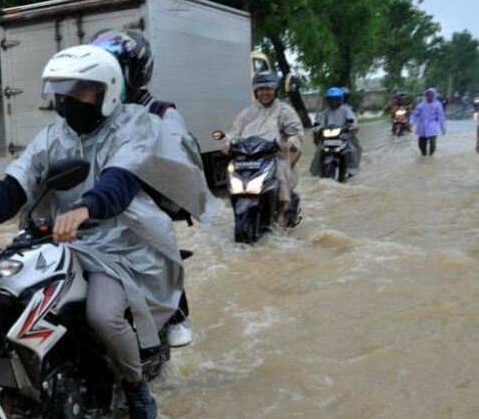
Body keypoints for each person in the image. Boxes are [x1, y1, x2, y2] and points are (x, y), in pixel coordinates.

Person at [0, 45, 185, 419]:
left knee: (103, 315)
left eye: (79, 91)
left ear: (105, 92)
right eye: (62, 90)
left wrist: (86, 208)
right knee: (3, 293)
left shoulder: (133, 127)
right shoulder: (54, 135)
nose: (67, 100)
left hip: (118, 242)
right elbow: (15, 185)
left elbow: (119, 182)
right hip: (59, 238)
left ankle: (135, 385)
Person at [89, 28, 210, 349]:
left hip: (146, 203)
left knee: (157, 241)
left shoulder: (160, 112)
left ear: (134, 71)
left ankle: (174, 313)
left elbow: (181, 158)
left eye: (114, 65)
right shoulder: (94, 114)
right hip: (98, 203)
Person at [224, 70, 304, 227]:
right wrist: (228, 144)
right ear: (256, 92)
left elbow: (296, 131)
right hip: (249, 155)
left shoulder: (284, 110)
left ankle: (280, 213)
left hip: (275, 154)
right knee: (232, 172)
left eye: (268, 88)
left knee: (280, 170)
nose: (264, 92)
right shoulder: (248, 111)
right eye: (261, 89)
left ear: (275, 90)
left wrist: (290, 142)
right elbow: (235, 131)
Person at [310, 87, 360, 177]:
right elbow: (318, 123)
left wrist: (351, 127)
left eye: (335, 99)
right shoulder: (324, 112)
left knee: (353, 150)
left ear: (340, 99)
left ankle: (351, 171)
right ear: (327, 100)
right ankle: (316, 173)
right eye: (330, 99)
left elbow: (352, 121)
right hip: (327, 139)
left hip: (342, 138)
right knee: (318, 152)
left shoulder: (346, 110)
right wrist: (317, 128)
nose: (333, 101)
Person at [410, 87, 447, 156]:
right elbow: (415, 115)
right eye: (428, 95)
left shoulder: (437, 105)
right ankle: (424, 156)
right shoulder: (421, 105)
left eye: (431, 95)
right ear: (426, 95)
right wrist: (410, 123)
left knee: (432, 144)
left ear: (434, 95)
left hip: (432, 127)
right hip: (422, 127)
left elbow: (441, 117)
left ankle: (431, 156)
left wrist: (443, 129)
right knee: (421, 145)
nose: (430, 96)